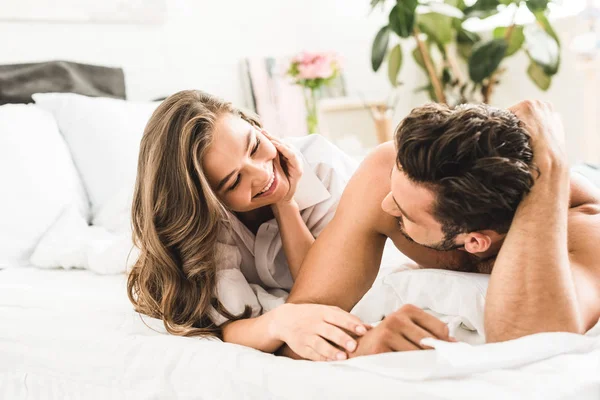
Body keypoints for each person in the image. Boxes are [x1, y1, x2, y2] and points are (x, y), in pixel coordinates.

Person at [282, 100, 600, 359]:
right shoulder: (389, 172)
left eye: (405, 215)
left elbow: (528, 346)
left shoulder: (584, 230)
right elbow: (302, 318)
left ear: (475, 242)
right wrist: (359, 346)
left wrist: (551, 166)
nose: (385, 206)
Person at [127, 90, 370, 362]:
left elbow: (327, 293)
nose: (262, 174)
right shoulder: (211, 224)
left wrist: (285, 204)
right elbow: (231, 325)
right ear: (212, 199)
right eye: (233, 182)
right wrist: (280, 323)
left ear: (253, 124)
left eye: (254, 146)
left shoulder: (325, 169)